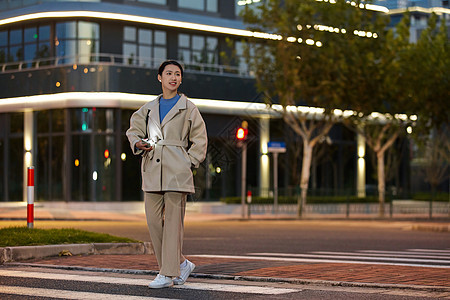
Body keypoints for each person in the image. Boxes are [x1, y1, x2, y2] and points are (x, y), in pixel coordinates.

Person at [126, 60, 207, 289]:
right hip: (152, 168)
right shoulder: (149, 107)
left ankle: (166, 273)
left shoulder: (188, 107)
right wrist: (137, 143)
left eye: (178, 74)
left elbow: (200, 138)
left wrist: (188, 162)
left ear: (181, 79)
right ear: (159, 77)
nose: (173, 77)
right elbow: (133, 128)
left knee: (173, 224)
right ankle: (181, 264)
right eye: (169, 73)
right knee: (154, 222)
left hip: (177, 171)